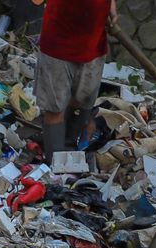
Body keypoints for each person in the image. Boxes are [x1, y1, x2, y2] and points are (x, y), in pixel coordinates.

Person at [35, 0, 116, 163]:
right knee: (55, 107)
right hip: (58, 44)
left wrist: (111, 6)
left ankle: (70, 151)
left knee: (82, 102)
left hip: (93, 44)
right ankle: (56, 166)